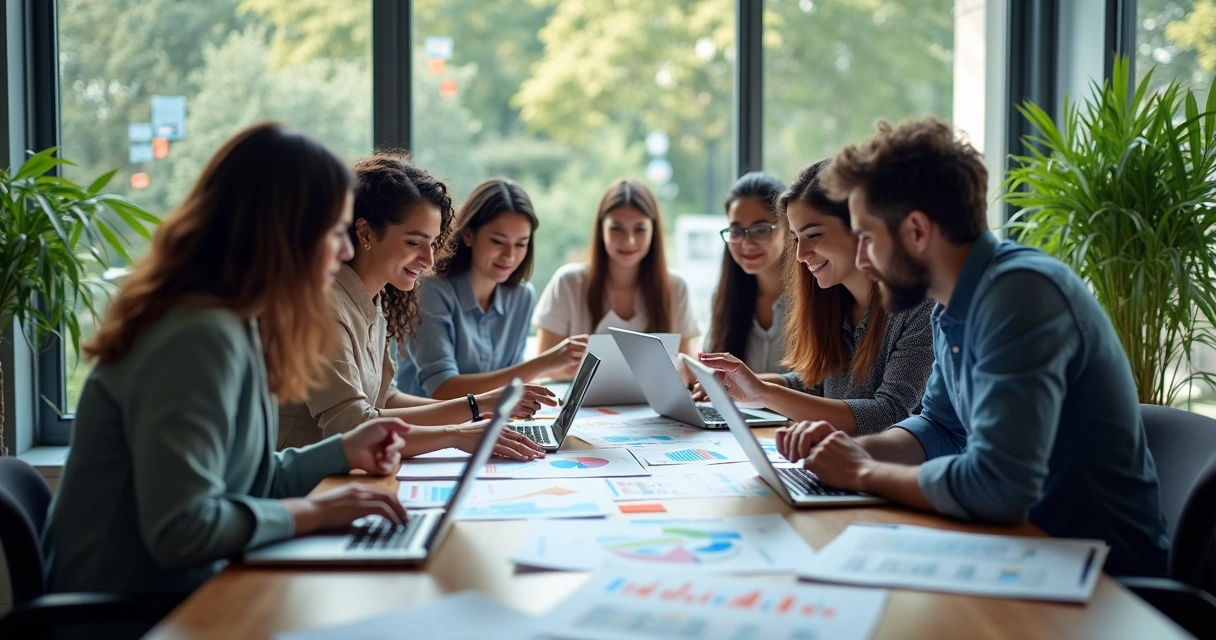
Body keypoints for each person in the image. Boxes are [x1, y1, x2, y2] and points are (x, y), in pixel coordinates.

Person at [776, 117, 1169, 576]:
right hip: (1019, 547)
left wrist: (861, 473)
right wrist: (853, 449)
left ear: (917, 231)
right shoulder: (953, 305)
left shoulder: (1019, 295)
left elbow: (997, 487)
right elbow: (939, 427)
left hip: (1097, 573)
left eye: (866, 238)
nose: (861, 259)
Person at [43, 123, 414, 597]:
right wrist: (315, 512)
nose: (345, 250)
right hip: (126, 615)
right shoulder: (196, 336)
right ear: (284, 232)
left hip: (187, 595)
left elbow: (251, 480)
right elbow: (183, 529)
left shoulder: (235, 323)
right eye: (336, 232)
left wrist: (344, 450)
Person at [277, 155, 549, 459]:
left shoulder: (370, 302)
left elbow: (387, 400)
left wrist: (479, 405)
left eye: (431, 244)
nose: (429, 261)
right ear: (365, 232)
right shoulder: (325, 308)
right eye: (413, 243)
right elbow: (353, 426)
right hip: (302, 487)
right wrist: (458, 432)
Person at [698, 160, 935, 435]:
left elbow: (889, 414)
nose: (800, 255)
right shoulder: (834, 299)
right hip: (842, 463)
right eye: (797, 239)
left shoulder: (919, 307)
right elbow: (818, 383)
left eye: (814, 235)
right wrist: (743, 385)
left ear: (861, 227)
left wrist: (763, 392)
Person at [396, 179, 587, 398]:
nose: (509, 256)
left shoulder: (522, 296)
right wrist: (544, 363)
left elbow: (511, 383)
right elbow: (443, 389)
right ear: (468, 235)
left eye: (521, 244)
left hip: (489, 424)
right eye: (498, 241)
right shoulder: (431, 290)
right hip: (429, 428)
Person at [534, 179, 701, 378]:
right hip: (583, 405)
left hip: (653, 406)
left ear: (653, 231)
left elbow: (688, 368)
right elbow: (544, 363)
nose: (628, 240)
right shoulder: (569, 283)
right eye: (617, 228)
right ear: (601, 229)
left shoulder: (675, 287)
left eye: (640, 229)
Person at [703, 172, 790, 377]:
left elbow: (823, 386)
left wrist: (751, 386)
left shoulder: (817, 297)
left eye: (760, 230)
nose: (746, 243)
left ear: (787, 227)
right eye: (736, 231)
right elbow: (715, 368)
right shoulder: (725, 297)